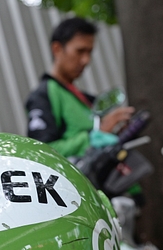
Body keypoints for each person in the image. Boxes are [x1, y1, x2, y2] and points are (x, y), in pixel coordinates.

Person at [25, 17, 135, 158]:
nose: (86, 60)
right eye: (80, 51)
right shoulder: (43, 95)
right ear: (57, 49)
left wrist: (117, 132)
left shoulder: (86, 99)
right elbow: (41, 153)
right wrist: (94, 136)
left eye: (89, 52)